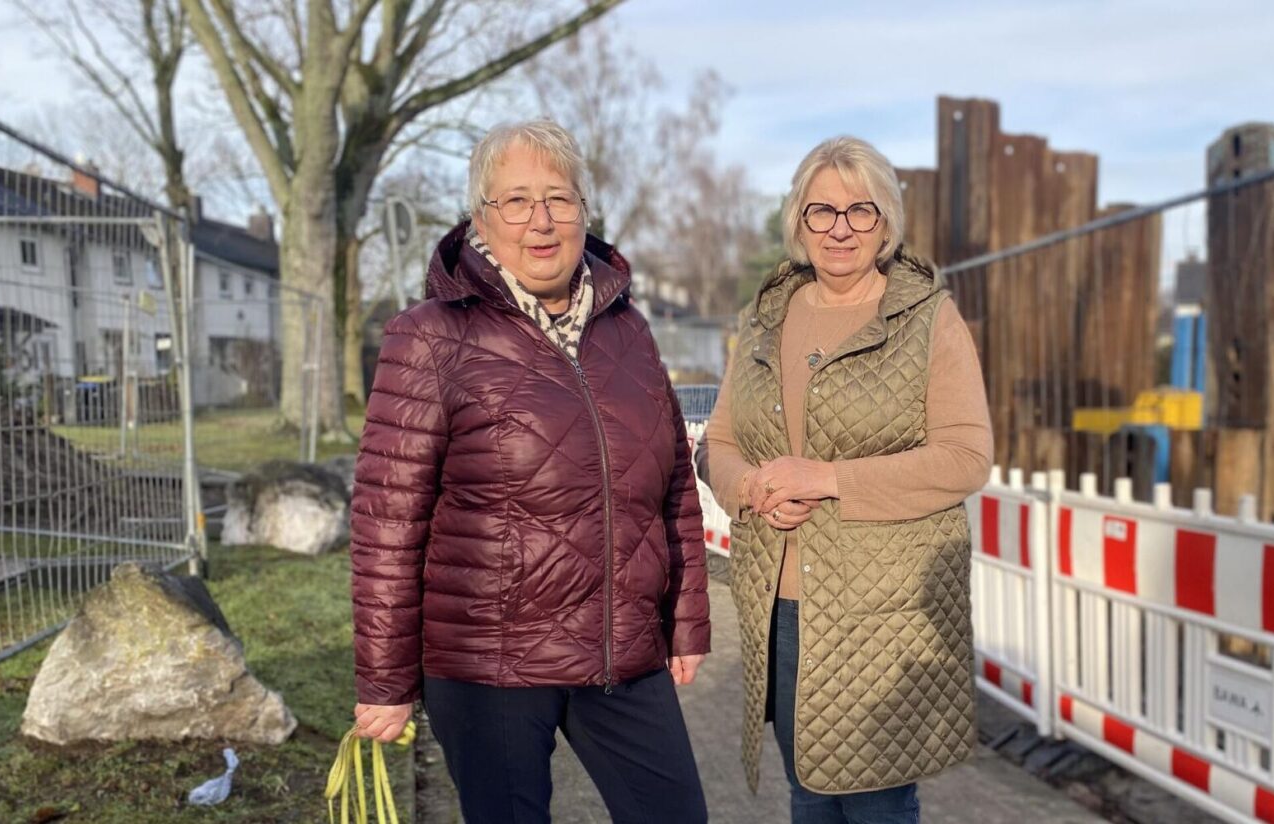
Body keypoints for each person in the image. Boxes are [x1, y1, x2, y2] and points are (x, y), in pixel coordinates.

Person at [347, 119, 710, 824]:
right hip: (490, 662)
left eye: (560, 199)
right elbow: (388, 521)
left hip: (619, 650)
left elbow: (672, 488)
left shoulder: (628, 330)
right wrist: (385, 680)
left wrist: (685, 620)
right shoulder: (429, 335)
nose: (541, 222)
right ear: (481, 217)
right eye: (516, 201)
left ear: (584, 212)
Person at [704, 136, 994, 823]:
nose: (840, 229)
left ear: (885, 221)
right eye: (821, 211)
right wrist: (749, 488)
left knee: (876, 803)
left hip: (880, 613)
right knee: (807, 788)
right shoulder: (767, 318)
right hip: (781, 604)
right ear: (798, 223)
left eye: (859, 211)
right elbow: (720, 440)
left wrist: (828, 477)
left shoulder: (928, 320)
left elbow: (965, 456)